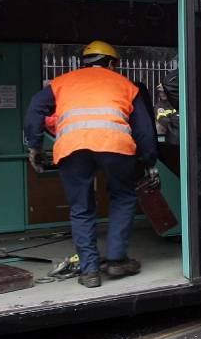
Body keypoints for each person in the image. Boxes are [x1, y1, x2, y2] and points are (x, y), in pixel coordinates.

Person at [23, 41, 158, 288]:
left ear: (84, 63)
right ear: (112, 63)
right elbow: (145, 129)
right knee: (123, 198)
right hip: (115, 147)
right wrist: (150, 161)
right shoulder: (126, 85)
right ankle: (117, 260)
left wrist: (35, 146)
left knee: (81, 208)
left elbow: (35, 108)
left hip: (72, 148)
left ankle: (90, 271)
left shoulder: (62, 82)